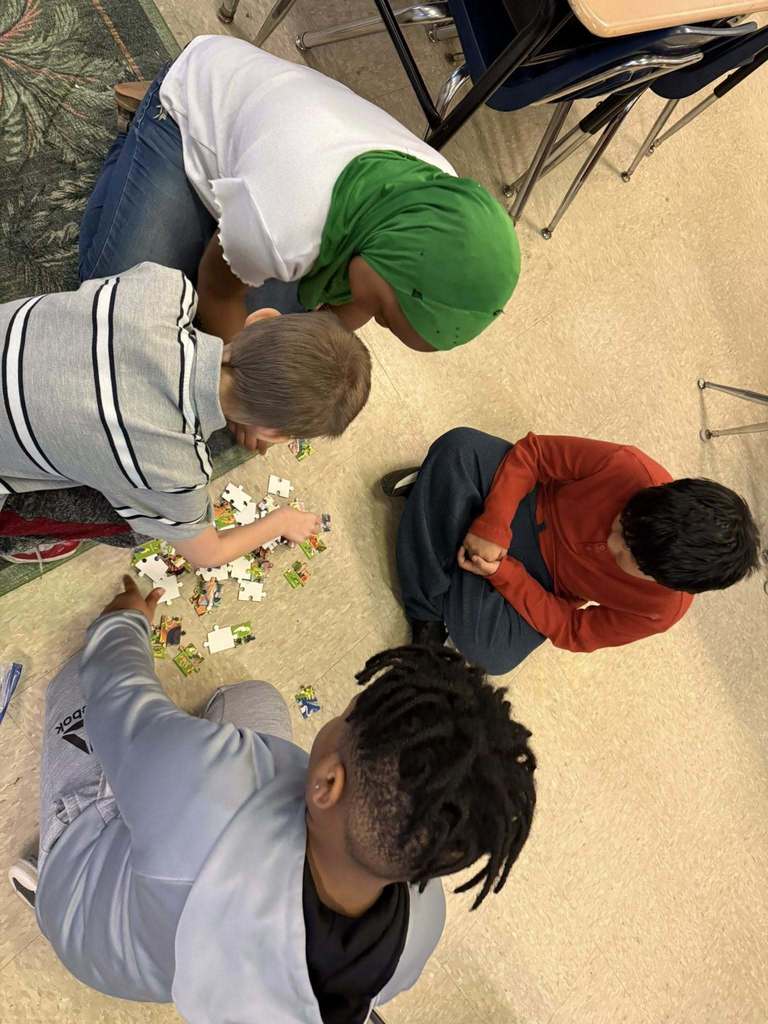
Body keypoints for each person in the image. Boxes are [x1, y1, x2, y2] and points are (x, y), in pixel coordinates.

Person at [8, 575, 537, 1023]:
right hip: (168, 962)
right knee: (254, 700)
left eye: (348, 716)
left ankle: (51, 877)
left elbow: (115, 692)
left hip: (91, 928)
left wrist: (122, 623)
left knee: (85, 673)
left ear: (328, 784)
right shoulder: (421, 931)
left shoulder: (205, 781)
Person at [79, 35, 520, 358]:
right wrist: (241, 379)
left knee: (277, 331)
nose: (373, 320)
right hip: (191, 112)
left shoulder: (438, 197)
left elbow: (334, 321)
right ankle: (140, 126)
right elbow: (217, 291)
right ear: (393, 258)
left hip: (272, 160)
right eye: (384, 313)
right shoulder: (289, 223)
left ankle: (229, 219)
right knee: (116, 316)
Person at [0, 262, 370, 568]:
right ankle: (21, 530)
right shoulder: (176, 471)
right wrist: (281, 520)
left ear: (260, 319)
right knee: (152, 524)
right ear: (274, 434)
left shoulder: (166, 287)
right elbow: (209, 555)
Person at [382, 428, 761, 675]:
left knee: (490, 653)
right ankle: (428, 605)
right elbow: (534, 454)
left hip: (543, 585)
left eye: (629, 555)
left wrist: (504, 573)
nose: (611, 541)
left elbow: (573, 630)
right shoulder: (631, 468)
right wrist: (495, 523)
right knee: (459, 448)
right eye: (624, 522)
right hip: (528, 503)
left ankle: (438, 505)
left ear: (664, 580)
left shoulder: (663, 610)